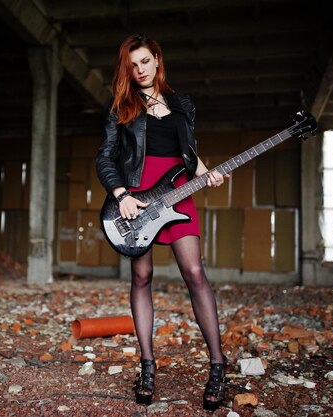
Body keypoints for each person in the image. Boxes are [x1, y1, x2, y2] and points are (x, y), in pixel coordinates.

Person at [96, 34, 229, 411]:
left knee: (194, 272)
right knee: (141, 277)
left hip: (180, 191)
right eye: (132, 65)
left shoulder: (183, 104)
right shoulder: (120, 107)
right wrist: (121, 194)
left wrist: (208, 173)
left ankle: (218, 364)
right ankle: (148, 366)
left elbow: (189, 151)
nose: (139, 70)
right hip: (138, 196)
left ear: (157, 60)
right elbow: (105, 158)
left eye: (144, 61)